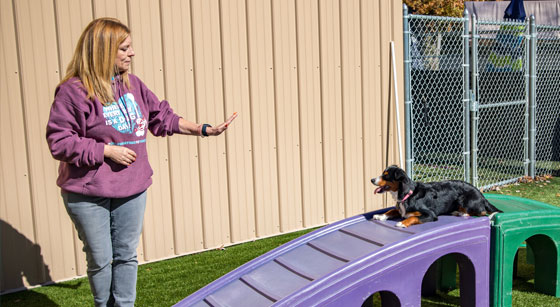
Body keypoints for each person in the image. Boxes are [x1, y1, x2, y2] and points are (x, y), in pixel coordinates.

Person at [46, 17, 237, 307]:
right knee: (100, 258)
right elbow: (59, 141)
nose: (131, 53)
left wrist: (204, 129)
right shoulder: (74, 91)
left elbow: (162, 117)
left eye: (130, 47)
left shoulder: (133, 85)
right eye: (124, 48)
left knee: (126, 255)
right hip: (88, 193)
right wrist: (105, 151)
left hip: (132, 188)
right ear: (103, 51)